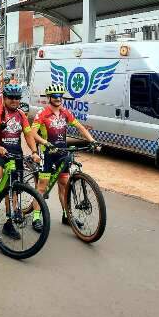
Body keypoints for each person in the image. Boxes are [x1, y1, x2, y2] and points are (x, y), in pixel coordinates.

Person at [31, 84, 98, 226]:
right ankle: (36, 217)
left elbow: (79, 126)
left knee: (64, 184)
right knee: (42, 186)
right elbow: (32, 133)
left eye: (60, 96)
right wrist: (45, 142)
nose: (58, 98)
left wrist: (92, 140)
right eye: (55, 96)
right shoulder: (42, 113)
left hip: (62, 152)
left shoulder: (65, 112)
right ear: (49, 98)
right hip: (47, 152)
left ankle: (67, 215)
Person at [0, 84, 42, 237]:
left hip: (15, 152)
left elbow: (28, 135)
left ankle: (8, 224)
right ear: (5, 98)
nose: (14, 100)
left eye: (17, 98)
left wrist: (34, 152)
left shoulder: (21, 114)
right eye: (11, 97)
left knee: (13, 187)